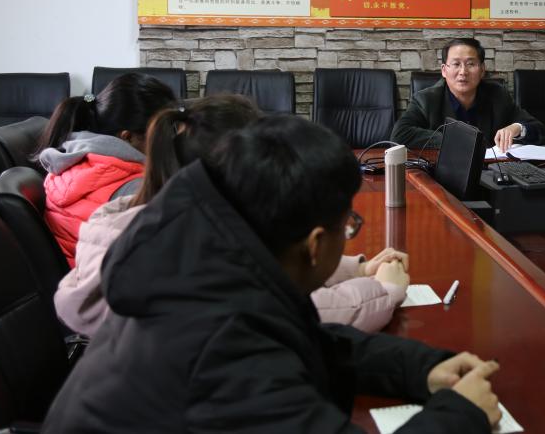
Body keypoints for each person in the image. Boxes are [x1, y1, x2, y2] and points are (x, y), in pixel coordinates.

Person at [42, 115, 501, 432]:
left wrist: (420, 368)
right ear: (315, 245)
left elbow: (306, 338)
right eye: (348, 225)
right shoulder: (223, 350)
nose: (349, 234)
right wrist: (464, 414)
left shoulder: (205, 256)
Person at [55, 96, 411, 336]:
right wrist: (384, 290)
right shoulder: (183, 250)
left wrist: (355, 269)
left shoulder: (154, 218)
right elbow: (288, 311)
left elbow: (266, 266)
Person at [35, 72, 176, 266]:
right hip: (106, 279)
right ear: (128, 137)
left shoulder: (68, 160)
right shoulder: (133, 187)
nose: (169, 140)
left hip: (78, 273)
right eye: (163, 132)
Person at [392, 37, 545, 152]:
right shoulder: (426, 99)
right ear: (444, 70)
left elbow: (541, 130)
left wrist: (517, 128)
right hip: (444, 173)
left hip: (491, 173)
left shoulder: (498, 95)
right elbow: (400, 134)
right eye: (456, 64)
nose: (463, 72)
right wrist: (455, 140)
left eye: (471, 64)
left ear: (482, 70)